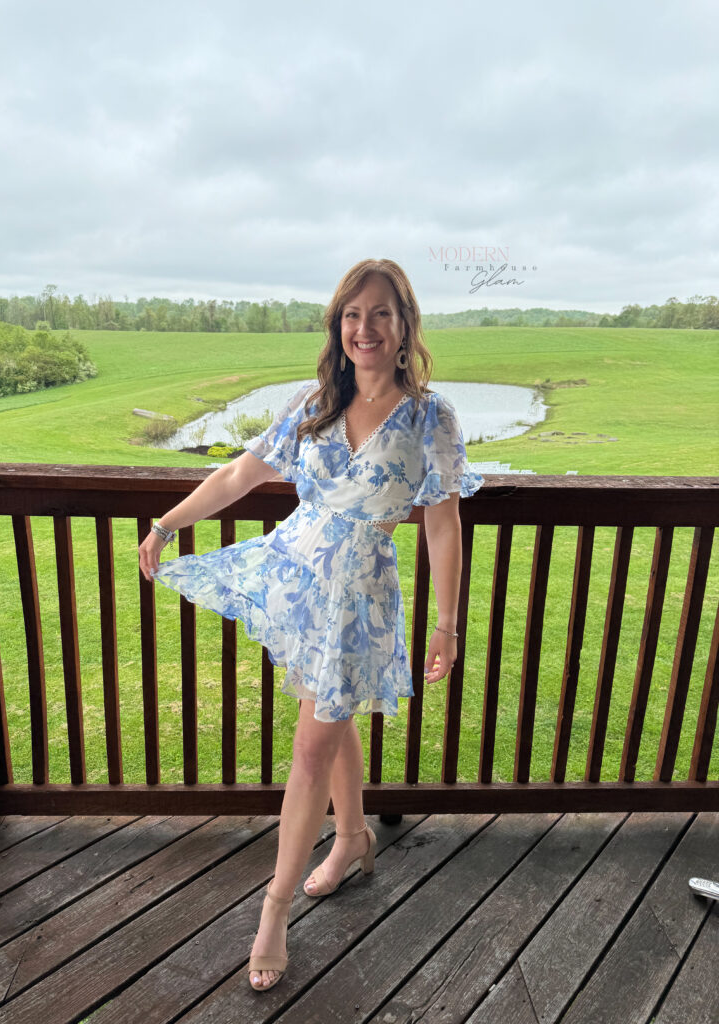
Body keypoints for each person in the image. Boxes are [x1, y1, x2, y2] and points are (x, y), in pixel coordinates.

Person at [137, 258, 484, 992]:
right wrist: (168, 522)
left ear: (404, 328)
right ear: (339, 325)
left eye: (381, 314)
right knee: (330, 717)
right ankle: (354, 838)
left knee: (311, 744)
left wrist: (446, 625)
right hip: (297, 578)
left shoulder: (431, 417)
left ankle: (272, 912)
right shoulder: (316, 401)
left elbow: (444, 525)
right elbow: (242, 473)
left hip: (359, 597)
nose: (365, 327)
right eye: (353, 314)